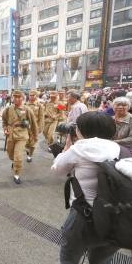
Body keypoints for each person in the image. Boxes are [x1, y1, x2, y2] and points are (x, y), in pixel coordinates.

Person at [51, 112, 122, 264]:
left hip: (84, 217)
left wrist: (66, 148)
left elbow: (57, 170)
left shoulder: (79, 149)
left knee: (69, 257)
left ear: (81, 130)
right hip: (117, 217)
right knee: (101, 260)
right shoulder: (118, 148)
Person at [2, 91, 38, 184]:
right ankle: (14, 162)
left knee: (18, 156)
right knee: (10, 154)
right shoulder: (8, 109)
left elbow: (33, 124)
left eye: (18, 97)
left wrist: (35, 136)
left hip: (22, 135)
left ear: (23, 98)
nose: (16, 99)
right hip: (11, 134)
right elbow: (4, 121)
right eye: (14, 97)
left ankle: (17, 174)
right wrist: (5, 129)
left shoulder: (27, 109)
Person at [25, 90, 45, 162]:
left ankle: (30, 156)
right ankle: (27, 150)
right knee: (26, 141)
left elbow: (41, 117)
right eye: (30, 95)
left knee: (33, 141)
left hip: (35, 126)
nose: (31, 96)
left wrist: (40, 127)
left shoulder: (39, 105)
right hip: (26, 126)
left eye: (33, 95)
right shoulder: (25, 104)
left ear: (36, 96)